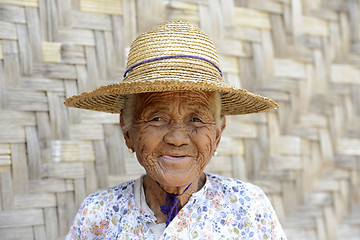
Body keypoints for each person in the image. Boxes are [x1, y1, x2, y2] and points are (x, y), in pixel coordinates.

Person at [64, 20, 287, 239]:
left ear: (218, 134)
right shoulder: (97, 214)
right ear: (127, 131)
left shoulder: (249, 207)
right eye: (157, 118)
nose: (177, 138)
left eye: (197, 119)